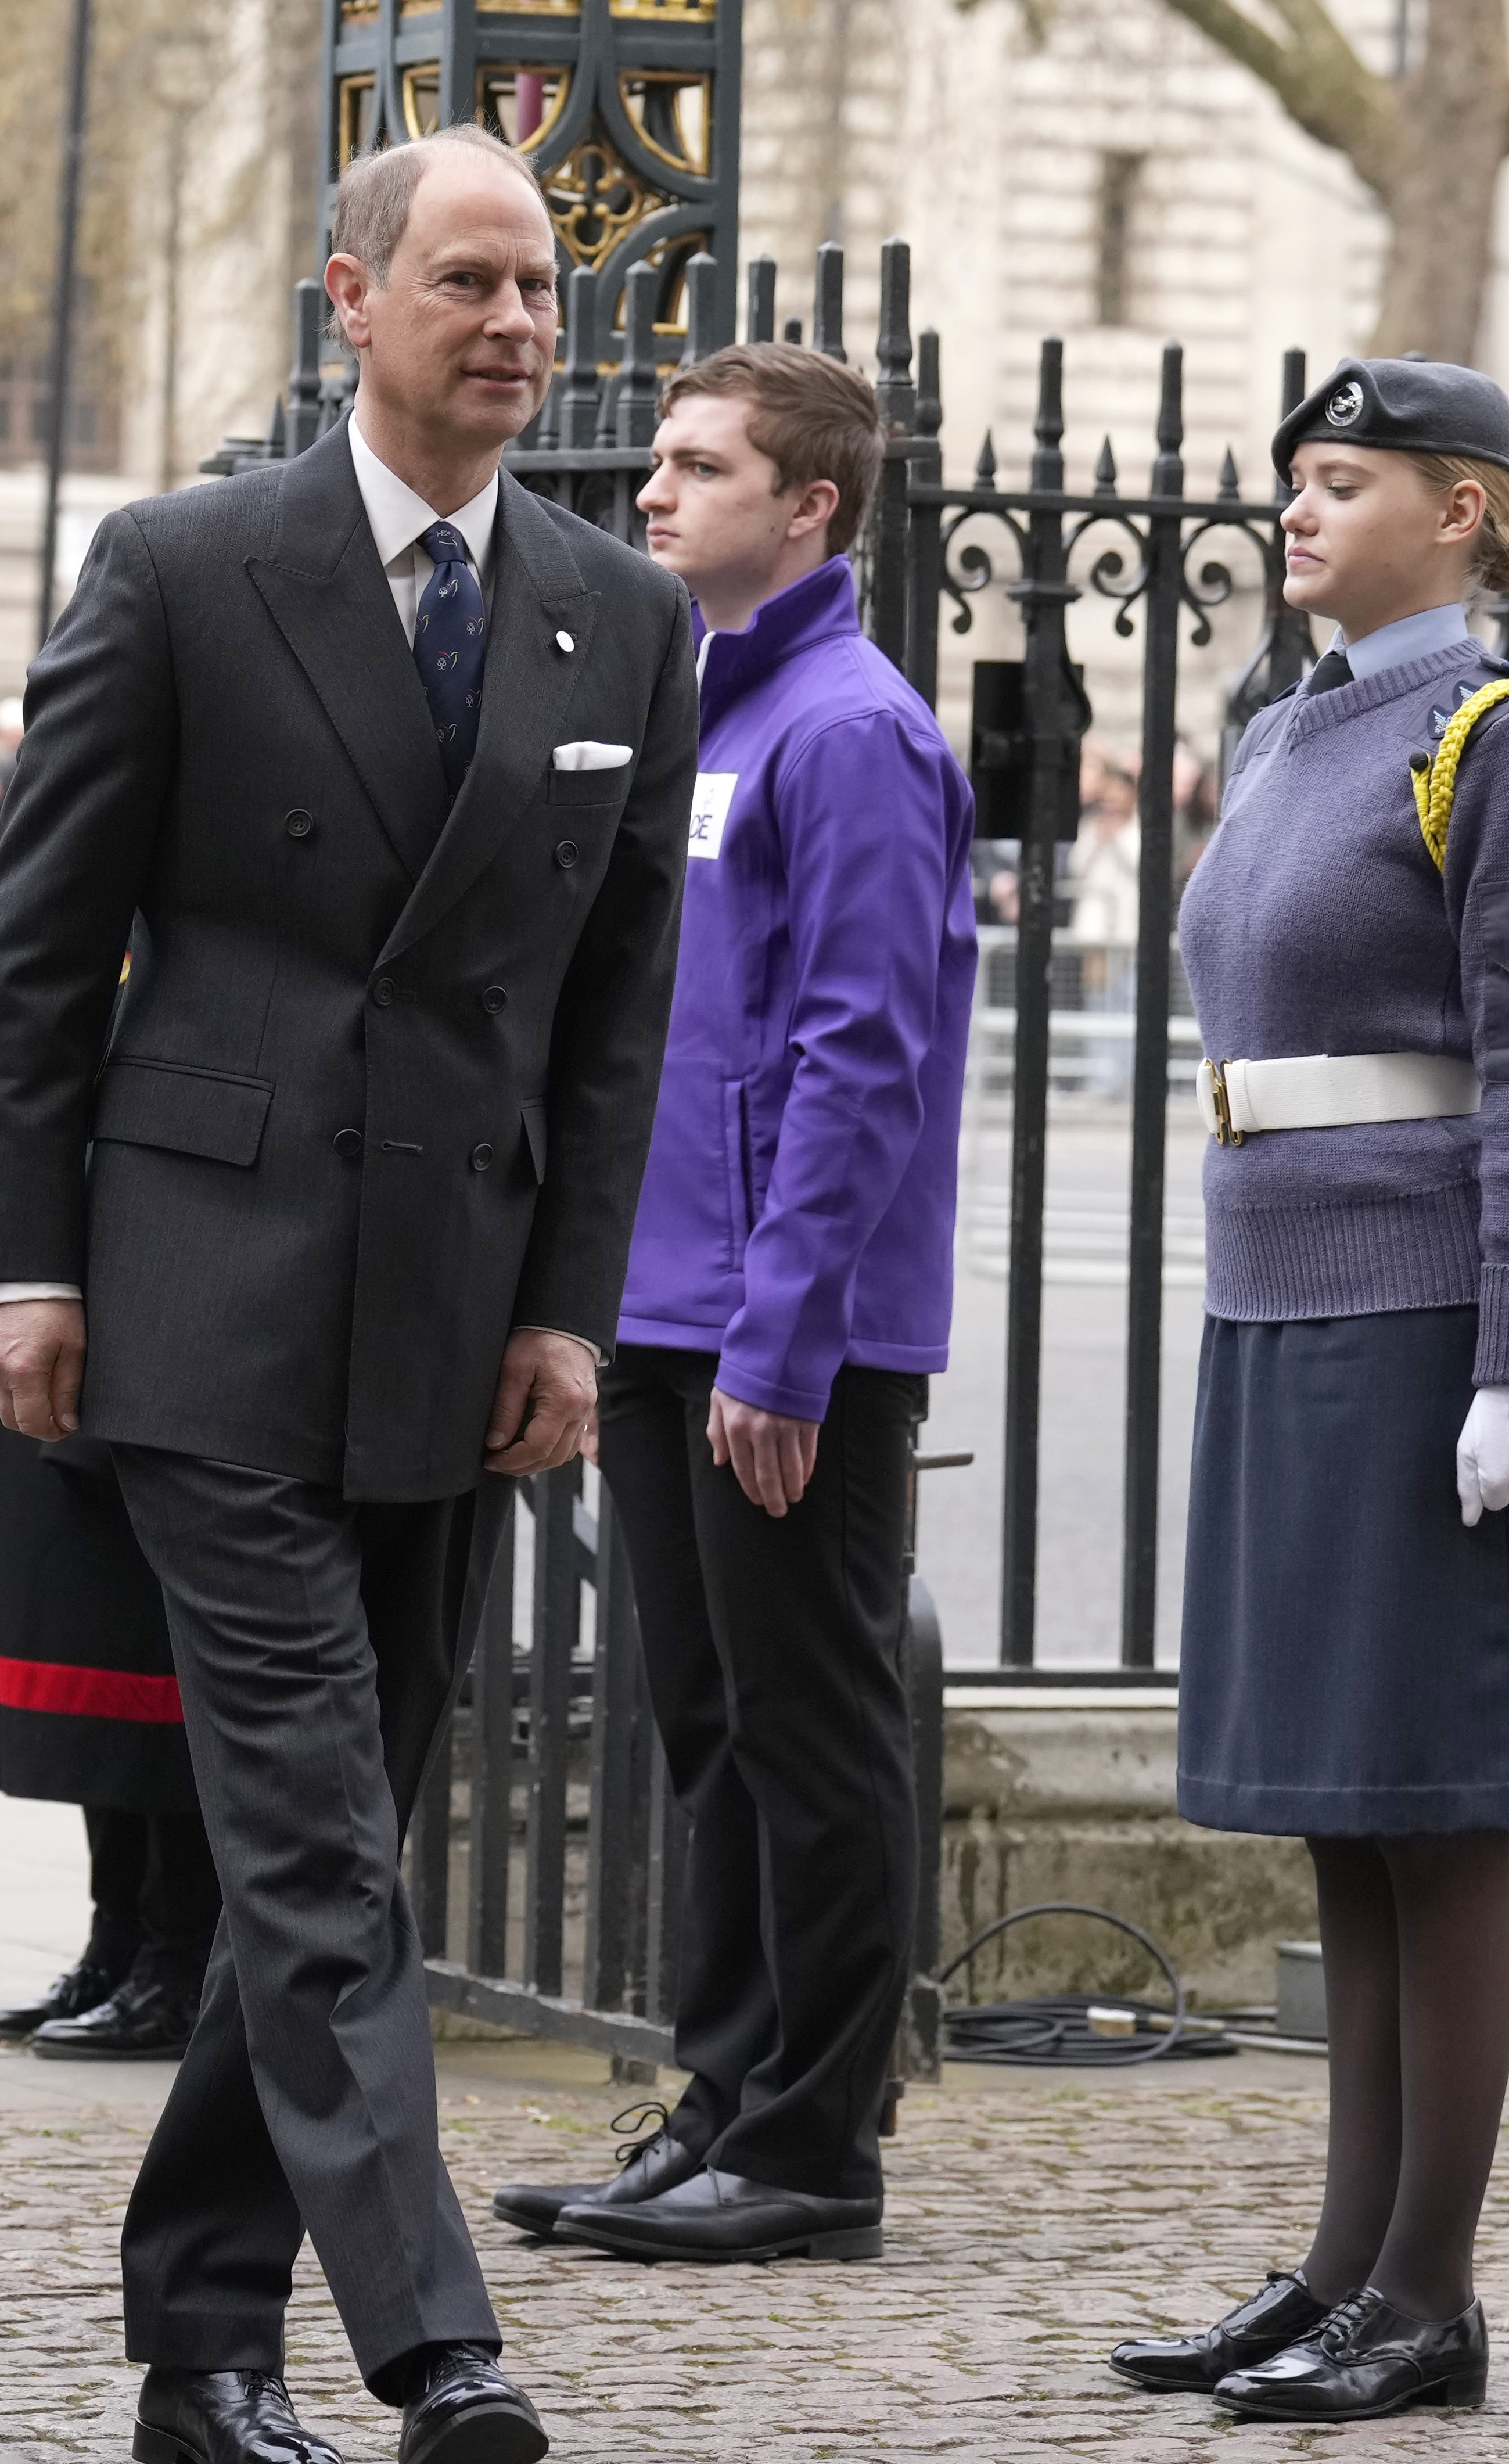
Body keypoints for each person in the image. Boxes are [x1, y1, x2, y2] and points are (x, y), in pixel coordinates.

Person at [0, 121, 695, 2464]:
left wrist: (569, 1309)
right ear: (346, 300)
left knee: (331, 1849)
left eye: (544, 296)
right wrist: (26, 1258)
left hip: (452, 1315)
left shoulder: (616, 614)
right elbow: (37, 948)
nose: (512, 326)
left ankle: (193, 2333)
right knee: (312, 1839)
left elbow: (615, 1017)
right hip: (208, 1292)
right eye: (466, 280)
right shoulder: (182, 565)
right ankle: (431, 2336)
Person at [1109, 358, 1509, 2424]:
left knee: (1432, 1802)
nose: (1294, 512)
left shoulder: (1495, 737)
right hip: (1277, 1299)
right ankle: (1336, 2261)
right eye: (1291, 483)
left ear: (1465, 513)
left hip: (1413, 1318)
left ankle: (1427, 2286)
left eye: (1343, 481)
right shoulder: (1290, 721)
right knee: (1333, 1804)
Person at [494, 342, 975, 2267]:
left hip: (795, 1338)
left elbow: (862, 1056)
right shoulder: (697, 715)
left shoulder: (851, 733)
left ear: (810, 508)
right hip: (664, 1310)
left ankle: (813, 2145)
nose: (652, 495)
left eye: (701, 467)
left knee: (808, 1723)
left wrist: (782, 1337)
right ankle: (720, 2093)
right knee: (700, 1718)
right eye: (659, 463)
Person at [0, 1287, 221, 2063]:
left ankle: (180, 1962)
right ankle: (117, 1942)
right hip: (54, 1299)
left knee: (152, 1655)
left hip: (145, 1310)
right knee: (94, 1650)